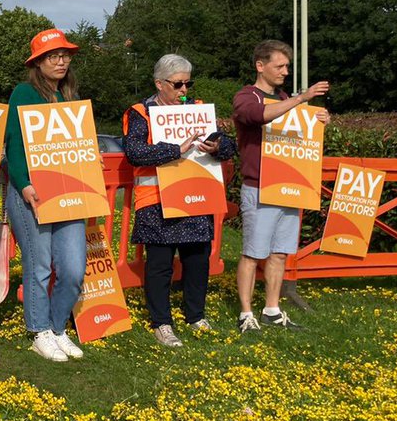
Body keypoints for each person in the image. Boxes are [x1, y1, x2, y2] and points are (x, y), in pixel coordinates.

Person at [123, 54, 236, 347]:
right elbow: (135, 152)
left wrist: (218, 146)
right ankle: (162, 323)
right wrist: (176, 149)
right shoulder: (140, 112)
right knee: (160, 264)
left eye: (188, 83)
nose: (184, 90)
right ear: (159, 84)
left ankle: (195, 316)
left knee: (197, 260)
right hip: (157, 200)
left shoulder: (198, 110)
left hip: (196, 195)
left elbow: (229, 146)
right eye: (178, 84)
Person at [231, 40, 329, 333]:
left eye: (287, 66)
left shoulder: (285, 97)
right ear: (260, 66)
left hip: (290, 185)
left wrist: (321, 119)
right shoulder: (245, 96)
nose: (285, 71)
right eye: (280, 66)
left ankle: (271, 309)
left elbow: (300, 127)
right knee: (252, 253)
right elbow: (258, 116)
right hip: (259, 186)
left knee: (279, 252)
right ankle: (246, 313)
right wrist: (302, 99)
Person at [3, 29, 88, 362]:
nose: (61, 60)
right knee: (38, 265)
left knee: (73, 269)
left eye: (65, 55)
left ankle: (57, 328)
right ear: (37, 62)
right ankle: (39, 331)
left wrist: (88, 159)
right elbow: (14, 144)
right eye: (53, 56)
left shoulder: (70, 97)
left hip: (68, 192)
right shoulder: (24, 93)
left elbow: (74, 145)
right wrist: (24, 185)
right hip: (31, 194)